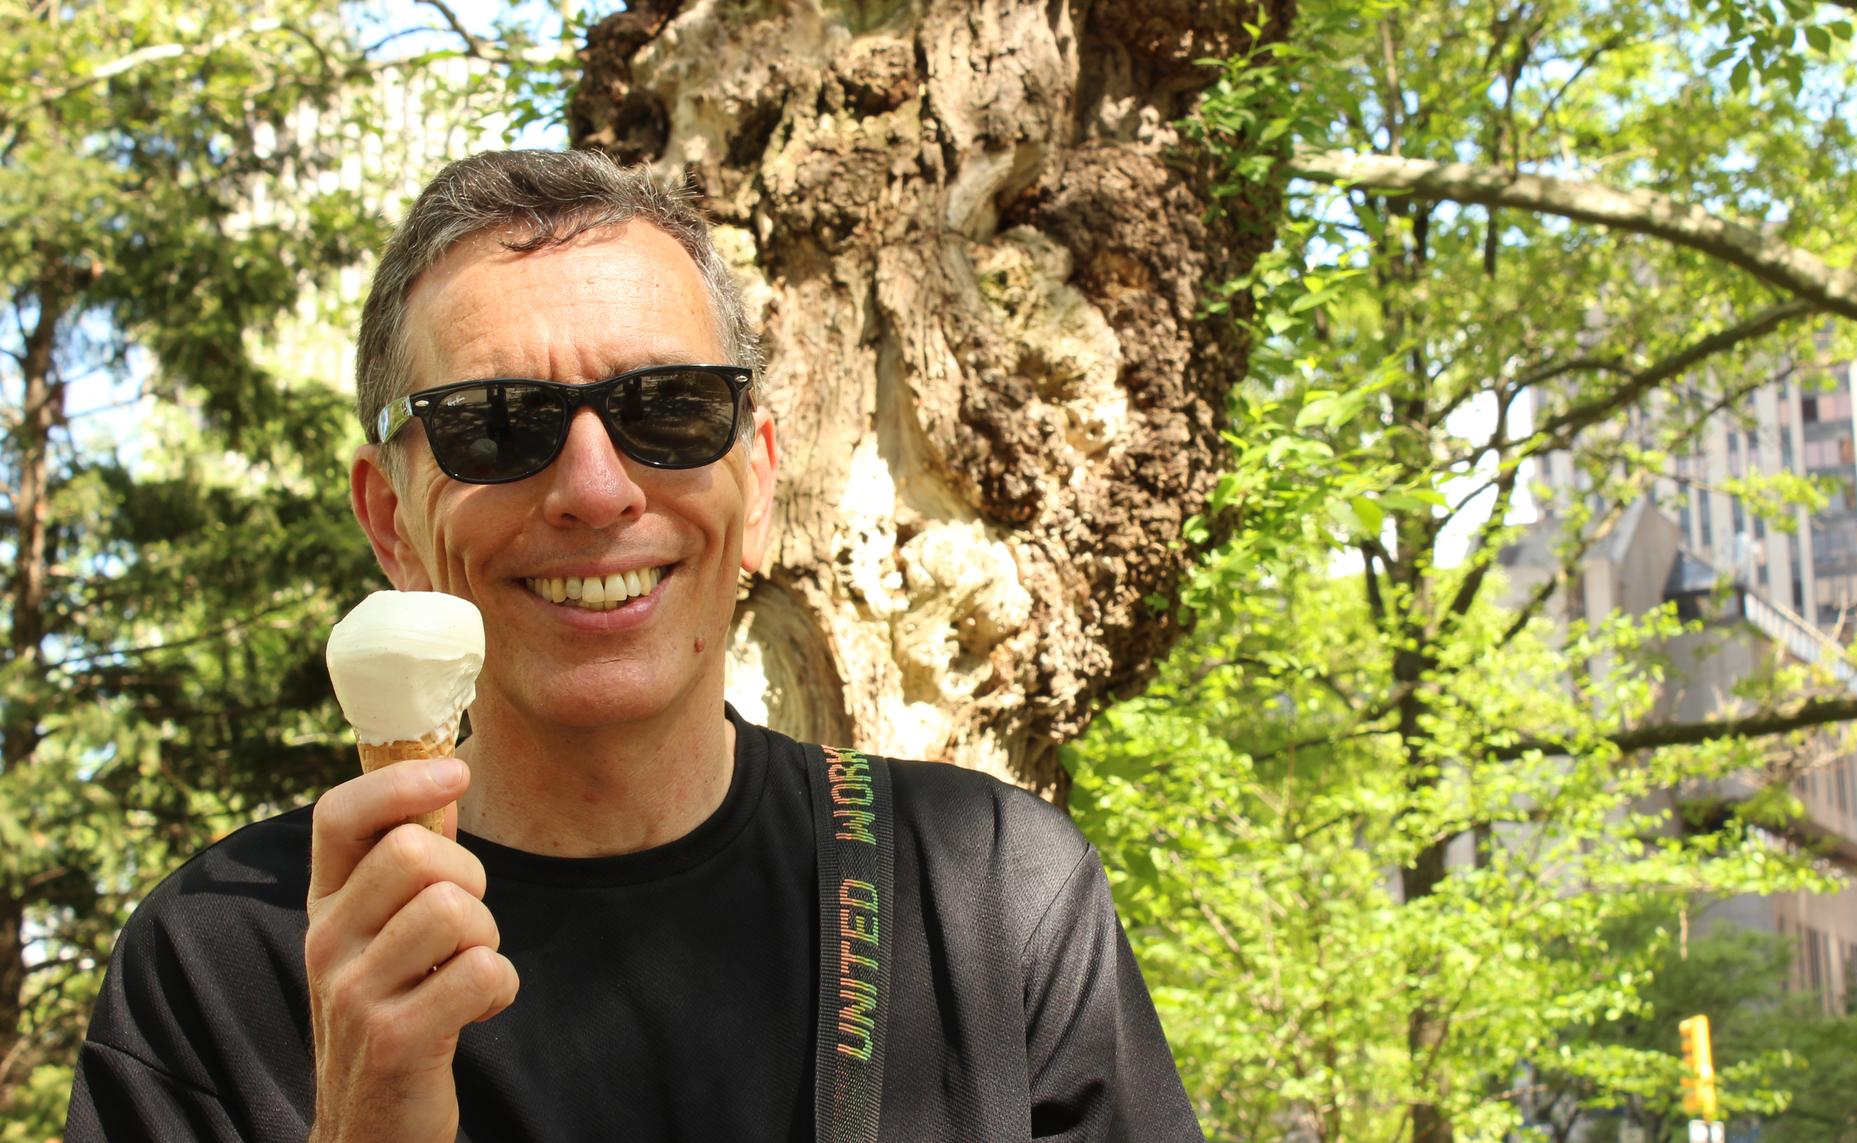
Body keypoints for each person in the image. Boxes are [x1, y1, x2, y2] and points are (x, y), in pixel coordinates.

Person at [64, 149, 1203, 1142]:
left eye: (668, 407)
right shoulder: (218, 964)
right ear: (388, 521)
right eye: (496, 424)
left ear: (755, 480)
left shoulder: (991, 896)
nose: (596, 490)